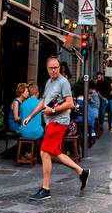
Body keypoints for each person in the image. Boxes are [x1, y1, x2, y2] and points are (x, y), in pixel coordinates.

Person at [24, 56, 88, 201]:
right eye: (51, 68)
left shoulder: (63, 82)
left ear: (59, 68)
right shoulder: (48, 82)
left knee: (44, 152)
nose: (54, 70)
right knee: (55, 152)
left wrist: (52, 111)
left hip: (59, 122)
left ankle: (45, 189)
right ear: (47, 69)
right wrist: (31, 116)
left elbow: (70, 103)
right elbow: (43, 102)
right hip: (51, 122)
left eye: (56, 67)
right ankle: (82, 172)